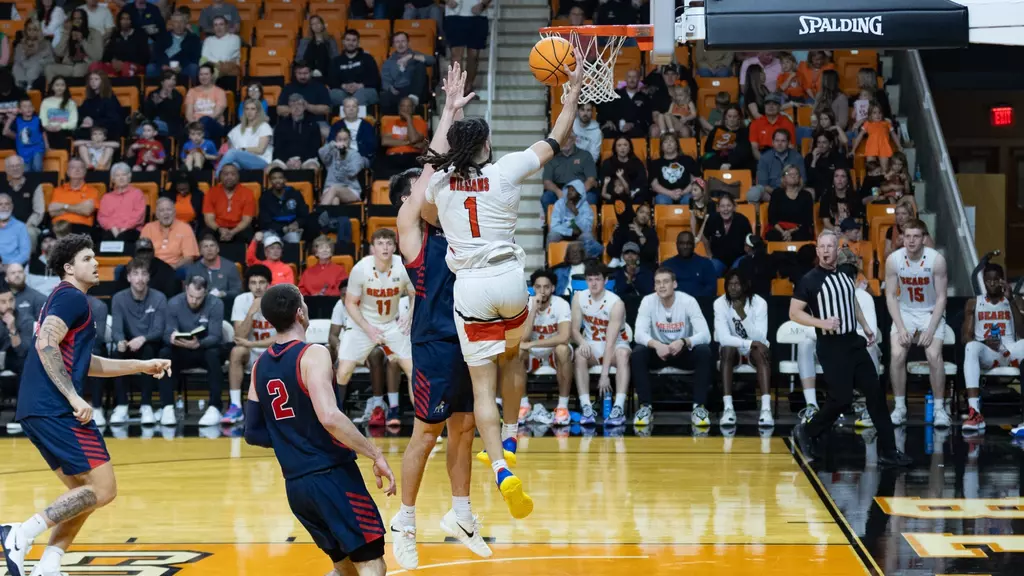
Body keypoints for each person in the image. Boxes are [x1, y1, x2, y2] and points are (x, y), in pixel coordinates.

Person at [418, 52, 583, 521]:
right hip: (510, 280)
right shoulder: (505, 170)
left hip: (469, 288)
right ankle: (512, 434)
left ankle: (501, 472)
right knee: (513, 353)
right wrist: (569, 92)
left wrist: (449, 112)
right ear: (486, 146)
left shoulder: (441, 185)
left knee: (480, 383)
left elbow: (428, 217)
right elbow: (555, 138)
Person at [0, 234, 171, 576]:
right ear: (68, 267)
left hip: (38, 407)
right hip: (55, 408)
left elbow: (83, 362)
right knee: (104, 489)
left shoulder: (65, 300)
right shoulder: (72, 298)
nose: (96, 264)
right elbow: (46, 344)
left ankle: (49, 565)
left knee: (83, 493)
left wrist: (142, 364)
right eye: (88, 258)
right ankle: (22, 533)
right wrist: (74, 396)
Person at [388, 77, 495, 564]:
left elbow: (470, 170)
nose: (431, 186)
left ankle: (462, 513)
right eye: (420, 187)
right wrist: (447, 113)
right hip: (433, 342)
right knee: (425, 433)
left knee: (466, 427)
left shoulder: (459, 221)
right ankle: (404, 521)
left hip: (469, 336)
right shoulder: (412, 232)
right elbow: (431, 172)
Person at [242, 283, 396, 576]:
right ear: (300, 313)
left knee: (345, 567)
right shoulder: (313, 353)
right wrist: (375, 454)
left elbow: (252, 432)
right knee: (371, 562)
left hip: (297, 487)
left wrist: (292, 440)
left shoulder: (260, 365)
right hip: (332, 478)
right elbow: (329, 416)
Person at [790, 230, 911, 467]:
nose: (826, 251)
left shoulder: (846, 274)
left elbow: (851, 300)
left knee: (875, 394)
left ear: (837, 250)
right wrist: (821, 323)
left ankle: (888, 450)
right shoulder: (810, 280)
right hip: (831, 346)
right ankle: (807, 430)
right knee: (842, 398)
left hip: (853, 342)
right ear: (817, 251)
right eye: (822, 247)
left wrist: (865, 325)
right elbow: (794, 313)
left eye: (830, 246)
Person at [335, 229, 415, 422]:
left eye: (388, 243)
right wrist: (369, 329)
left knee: (413, 369)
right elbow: (350, 303)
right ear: (372, 248)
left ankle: (424, 421)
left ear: (395, 247)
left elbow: (415, 294)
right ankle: (333, 417)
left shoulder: (403, 266)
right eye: (380, 243)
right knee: (343, 371)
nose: (385, 247)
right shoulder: (360, 269)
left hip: (391, 323)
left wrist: (410, 314)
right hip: (362, 325)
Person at [885, 219, 949, 427]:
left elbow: (941, 298)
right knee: (897, 354)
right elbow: (891, 297)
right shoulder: (894, 260)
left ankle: (939, 409)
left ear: (923, 238)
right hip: (905, 312)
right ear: (902, 237)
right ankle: (900, 407)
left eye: (916, 236)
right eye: (907, 236)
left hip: (930, 312)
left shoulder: (936, 260)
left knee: (933, 354)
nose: (911, 240)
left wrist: (930, 330)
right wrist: (902, 327)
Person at [630, 267, 713, 427]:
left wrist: (684, 341)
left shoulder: (688, 301)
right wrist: (656, 345)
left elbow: (706, 335)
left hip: (682, 352)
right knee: (638, 352)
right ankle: (645, 407)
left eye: (666, 282)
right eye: (658, 282)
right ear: (654, 286)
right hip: (658, 353)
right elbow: (638, 334)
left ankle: (698, 408)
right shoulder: (647, 301)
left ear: (674, 284)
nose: (661, 286)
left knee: (704, 351)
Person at [961, 263, 1023, 432]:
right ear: (984, 282)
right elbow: (965, 338)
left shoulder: (1014, 300)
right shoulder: (974, 303)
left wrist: (1010, 300)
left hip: (1010, 350)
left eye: (997, 280)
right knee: (971, 347)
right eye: (989, 280)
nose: (993, 284)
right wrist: (984, 343)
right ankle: (975, 414)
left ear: (1003, 281)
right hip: (989, 354)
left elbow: (1023, 333)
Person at [108, 258, 169, 425]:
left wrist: (143, 338)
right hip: (128, 343)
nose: (140, 278)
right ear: (128, 278)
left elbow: (159, 330)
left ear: (149, 277)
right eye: (135, 274)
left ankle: (146, 405)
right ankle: (121, 406)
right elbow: (117, 329)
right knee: (116, 354)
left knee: (148, 352)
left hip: (151, 343)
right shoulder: (119, 298)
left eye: (143, 274)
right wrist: (120, 340)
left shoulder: (159, 298)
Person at [570, 260, 632, 427]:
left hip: (615, 345)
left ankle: (618, 407)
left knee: (623, 354)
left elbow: (610, 342)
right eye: (590, 279)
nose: (593, 283)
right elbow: (574, 330)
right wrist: (582, 342)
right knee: (579, 354)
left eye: (597, 279)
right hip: (592, 344)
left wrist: (605, 375)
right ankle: (586, 407)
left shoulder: (616, 303)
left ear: (605, 281)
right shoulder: (579, 297)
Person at [161, 275, 224, 426]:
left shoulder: (216, 303)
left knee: (214, 354)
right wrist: (172, 338)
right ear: (185, 289)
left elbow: (216, 336)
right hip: (181, 349)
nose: (194, 301)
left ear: (206, 293)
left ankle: (215, 406)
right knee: (164, 354)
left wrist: (199, 344)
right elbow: (166, 332)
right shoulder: (174, 303)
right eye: (191, 296)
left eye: (199, 297)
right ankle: (167, 406)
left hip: (204, 348)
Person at [714, 269, 772, 426]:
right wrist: (750, 343)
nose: (733, 288)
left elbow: (760, 338)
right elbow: (722, 338)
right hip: (734, 349)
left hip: (754, 350)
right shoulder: (720, 304)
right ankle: (728, 408)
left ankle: (766, 409)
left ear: (746, 286)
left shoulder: (759, 303)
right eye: (730, 284)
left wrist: (743, 316)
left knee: (760, 351)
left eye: (737, 284)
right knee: (727, 349)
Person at [221, 264, 273, 424]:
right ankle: (236, 407)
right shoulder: (241, 300)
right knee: (237, 351)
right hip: (250, 354)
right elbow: (239, 336)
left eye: (262, 282)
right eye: (253, 283)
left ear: (269, 284)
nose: (257, 287)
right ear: (248, 285)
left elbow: (283, 338)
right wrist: (252, 311)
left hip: (273, 352)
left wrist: (251, 344)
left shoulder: (279, 300)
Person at [520, 269, 572, 426]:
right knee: (518, 350)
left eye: (546, 287)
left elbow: (564, 336)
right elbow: (523, 338)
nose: (542, 292)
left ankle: (562, 407)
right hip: (533, 353)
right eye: (538, 287)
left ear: (553, 288)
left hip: (553, 351)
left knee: (563, 349)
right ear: (533, 288)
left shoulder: (561, 304)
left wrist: (532, 344)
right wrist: (533, 310)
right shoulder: (526, 303)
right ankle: (523, 405)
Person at [379, 32, 435, 114]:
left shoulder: (415, 55)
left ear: (408, 43)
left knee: (420, 64)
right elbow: (385, 82)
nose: (400, 44)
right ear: (393, 45)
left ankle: (413, 98)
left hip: (415, 90)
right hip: (398, 91)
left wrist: (410, 57)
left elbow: (432, 60)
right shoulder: (388, 62)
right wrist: (390, 88)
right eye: (397, 42)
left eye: (403, 41)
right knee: (384, 96)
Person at [140, 197, 200, 270]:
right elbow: (142, 255)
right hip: (152, 269)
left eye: (169, 209)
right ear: (157, 214)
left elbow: (189, 258)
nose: (166, 213)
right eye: (162, 210)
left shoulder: (185, 228)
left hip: (176, 269)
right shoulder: (148, 228)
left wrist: (171, 268)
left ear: (174, 212)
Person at [748, 128, 805, 204]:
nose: (779, 144)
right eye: (777, 141)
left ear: (788, 143)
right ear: (772, 142)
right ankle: (757, 215)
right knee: (754, 192)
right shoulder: (764, 158)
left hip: (793, 193)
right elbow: (763, 184)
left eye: (783, 141)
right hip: (771, 195)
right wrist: (778, 195)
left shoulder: (797, 157)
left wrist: (790, 194)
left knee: (810, 192)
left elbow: (803, 181)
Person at [203, 163, 256, 244]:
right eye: (226, 174)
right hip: (217, 228)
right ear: (220, 176)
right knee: (204, 237)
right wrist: (219, 229)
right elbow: (209, 219)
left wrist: (232, 232)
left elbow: (246, 220)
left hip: (239, 228)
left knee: (251, 238)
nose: (229, 177)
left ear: (238, 176)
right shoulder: (211, 192)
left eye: (233, 174)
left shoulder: (248, 193)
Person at [546, 181, 600, 258]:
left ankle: (589, 263)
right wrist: (570, 232)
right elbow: (554, 226)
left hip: (579, 234)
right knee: (552, 235)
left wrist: (576, 213)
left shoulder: (586, 207)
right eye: (568, 190)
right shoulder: (559, 204)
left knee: (588, 236)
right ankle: (550, 262)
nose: (569, 192)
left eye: (573, 190)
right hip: (563, 233)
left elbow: (587, 228)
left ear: (579, 193)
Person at [327, 29, 380, 107]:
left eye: (354, 40)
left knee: (359, 96)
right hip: (343, 91)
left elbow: (375, 79)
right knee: (334, 94)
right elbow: (331, 80)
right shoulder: (336, 61)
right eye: (348, 40)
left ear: (358, 43)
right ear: (343, 42)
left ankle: (359, 119)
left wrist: (360, 86)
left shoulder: (368, 58)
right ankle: (342, 119)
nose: (350, 43)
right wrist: (344, 86)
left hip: (365, 90)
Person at [270, 94, 322, 171]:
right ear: (289, 108)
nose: (296, 107)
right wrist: (287, 161)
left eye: (299, 104)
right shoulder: (281, 125)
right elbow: (277, 148)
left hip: (307, 159)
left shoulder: (313, 125)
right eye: (293, 105)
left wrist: (301, 160)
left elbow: (315, 147)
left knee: (312, 168)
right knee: (272, 168)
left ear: (304, 107)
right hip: (285, 159)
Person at [48, 158, 99, 236]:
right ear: (68, 172)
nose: (77, 170)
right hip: (59, 227)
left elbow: (87, 211)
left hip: (82, 227)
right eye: (73, 167)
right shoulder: (58, 190)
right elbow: (52, 211)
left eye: (80, 167)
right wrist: (79, 208)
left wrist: (63, 206)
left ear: (85, 172)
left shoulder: (92, 191)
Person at [96, 163, 146, 241]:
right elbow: (102, 217)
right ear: (113, 179)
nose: (121, 178)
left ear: (129, 177)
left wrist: (124, 228)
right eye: (117, 175)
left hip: (132, 230)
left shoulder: (137, 193)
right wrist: (113, 228)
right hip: (112, 230)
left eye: (124, 175)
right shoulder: (106, 197)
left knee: (124, 237)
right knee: (104, 238)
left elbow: (138, 215)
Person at [703, 194, 752, 273]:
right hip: (718, 259)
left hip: (738, 258)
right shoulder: (712, 219)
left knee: (737, 273)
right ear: (718, 208)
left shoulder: (743, 220)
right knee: (710, 271)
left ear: (734, 207)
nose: (726, 209)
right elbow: (704, 237)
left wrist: (747, 254)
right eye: (722, 206)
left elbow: (749, 239)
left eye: (729, 205)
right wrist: (709, 254)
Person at [765, 164, 815, 242]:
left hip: (798, 229)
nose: (793, 176)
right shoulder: (777, 193)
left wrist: (790, 232)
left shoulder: (806, 195)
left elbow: (807, 220)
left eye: (796, 174)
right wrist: (783, 232)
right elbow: (772, 218)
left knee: (802, 236)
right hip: (779, 229)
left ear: (799, 177)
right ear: (783, 178)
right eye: (789, 174)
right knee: (773, 236)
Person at [320, 126, 369, 205]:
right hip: (329, 188)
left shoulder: (355, 155)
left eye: (345, 139)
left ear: (349, 140)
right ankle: (334, 217)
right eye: (340, 139)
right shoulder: (331, 152)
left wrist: (342, 158)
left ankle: (319, 215)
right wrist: (332, 145)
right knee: (335, 200)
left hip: (350, 188)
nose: (342, 142)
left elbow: (351, 172)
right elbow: (321, 154)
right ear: (336, 139)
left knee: (334, 189)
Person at [259, 168, 309, 243]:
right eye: (274, 178)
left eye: (280, 178)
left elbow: (304, 214)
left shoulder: (295, 194)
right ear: (270, 181)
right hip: (273, 231)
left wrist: (296, 223)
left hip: (292, 230)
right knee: (267, 238)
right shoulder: (265, 197)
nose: (277, 181)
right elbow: (265, 221)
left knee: (294, 237)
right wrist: (282, 228)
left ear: (285, 180)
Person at [147, 10, 200, 81]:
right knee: (151, 67)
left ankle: (192, 90)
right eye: (176, 22)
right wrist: (164, 65)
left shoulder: (193, 38)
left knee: (193, 67)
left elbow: (195, 57)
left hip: (182, 66)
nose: (178, 25)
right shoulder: (163, 36)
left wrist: (181, 66)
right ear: (172, 24)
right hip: (164, 65)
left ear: (185, 24)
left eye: (181, 22)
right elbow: (156, 54)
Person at [661, 231, 717, 297]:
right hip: (674, 304)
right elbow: (662, 289)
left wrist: (692, 301)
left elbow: (711, 289)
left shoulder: (706, 263)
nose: (685, 246)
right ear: (677, 245)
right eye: (681, 243)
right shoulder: (666, 265)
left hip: (699, 303)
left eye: (689, 243)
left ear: (694, 245)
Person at [649, 133, 699, 205]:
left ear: (676, 145)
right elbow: (654, 185)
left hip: (686, 193)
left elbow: (695, 180)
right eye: (665, 142)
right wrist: (670, 193)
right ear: (662, 147)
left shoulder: (688, 160)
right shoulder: (655, 163)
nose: (669, 144)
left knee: (689, 199)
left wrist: (683, 192)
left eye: (672, 141)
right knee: (661, 200)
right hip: (664, 194)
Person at [188, 233, 241, 300]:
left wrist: (225, 294)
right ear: (200, 251)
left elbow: (237, 291)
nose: (209, 249)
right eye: (205, 246)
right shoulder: (193, 269)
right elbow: (187, 292)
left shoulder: (230, 267)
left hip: (225, 305)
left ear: (218, 249)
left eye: (212, 245)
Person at [184, 63, 227, 141]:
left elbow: (216, 114)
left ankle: (197, 145)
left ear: (212, 76)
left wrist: (199, 125)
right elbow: (189, 114)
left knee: (205, 120)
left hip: (214, 125)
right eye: (201, 74)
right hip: (195, 124)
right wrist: (195, 125)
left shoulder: (220, 92)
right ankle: (201, 147)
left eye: (206, 74)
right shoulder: (192, 91)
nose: (203, 77)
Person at [76, 70, 122, 140]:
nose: (93, 81)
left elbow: (113, 119)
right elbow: (80, 113)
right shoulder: (88, 99)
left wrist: (94, 122)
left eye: (96, 79)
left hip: (107, 131)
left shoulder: (110, 99)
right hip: (91, 130)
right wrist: (84, 119)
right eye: (91, 79)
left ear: (103, 81)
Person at [3, 98, 47, 172]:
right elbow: (5, 132)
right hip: (23, 151)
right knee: (26, 171)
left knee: (37, 166)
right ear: (20, 110)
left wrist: (47, 146)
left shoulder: (37, 120)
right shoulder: (17, 121)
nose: (28, 108)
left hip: (37, 148)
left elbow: (43, 133)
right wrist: (11, 119)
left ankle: (38, 182)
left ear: (33, 108)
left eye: (30, 106)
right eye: (25, 107)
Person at [0, 282, 34, 375]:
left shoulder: (25, 319)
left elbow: (22, 352)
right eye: (3, 302)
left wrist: (12, 329)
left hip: (18, 367)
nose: (8, 305)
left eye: (11, 300)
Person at [12, 19, 53, 90]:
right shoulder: (20, 45)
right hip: (24, 68)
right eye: (29, 30)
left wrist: (37, 54)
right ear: (26, 31)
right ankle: (21, 87)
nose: (32, 32)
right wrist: (27, 54)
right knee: (16, 67)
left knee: (35, 65)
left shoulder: (46, 44)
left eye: (35, 30)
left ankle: (29, 87)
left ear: (39, 31)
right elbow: (17, 60)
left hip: (39, 68)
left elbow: (51, 60)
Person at [39, 76, 75, 152]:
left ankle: (62, 156)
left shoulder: (71, 103)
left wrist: (61, 126)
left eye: (62, 85)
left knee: (60, 134)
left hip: (64, 131)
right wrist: (47, 126)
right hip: (49, 130)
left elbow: (73, 122)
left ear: (65, 87)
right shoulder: (46, 102)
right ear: (52, 87)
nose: (60, 88)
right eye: (57, 85)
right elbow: (42, 119)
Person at [297, 15, 338, 79]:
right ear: (310, 27)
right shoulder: (304, 41)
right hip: (308, 71)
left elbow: (335, 58)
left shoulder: (330, 40)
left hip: (325, 71)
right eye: (313, 24)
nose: (316, 26)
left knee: (322, 46)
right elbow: (299, 59)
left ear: (322, 24)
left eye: (318, 23)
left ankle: (320, 72)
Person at [0, 193, 31, 266]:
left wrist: (9, 265)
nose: (3, 207)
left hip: (13, 268)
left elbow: (25, 254)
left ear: (12, 207)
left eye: (7, 204)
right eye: (0, 204)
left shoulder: (20, 227)